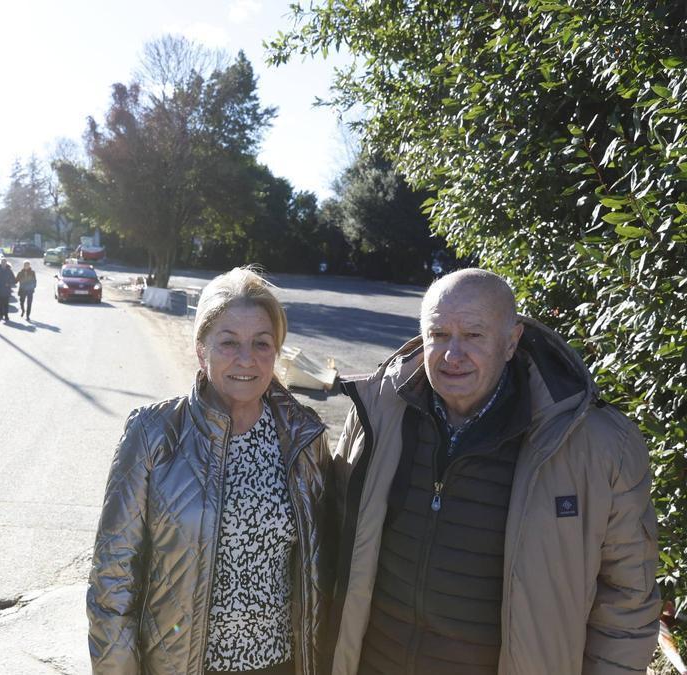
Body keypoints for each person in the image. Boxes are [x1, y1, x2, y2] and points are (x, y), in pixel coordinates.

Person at [326, 268, 659, 674]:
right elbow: (331, 545)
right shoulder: (376, 414)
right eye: (439, 335)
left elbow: (627, 601)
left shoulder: (596, 445)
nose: (452, 354)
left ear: (510, 341)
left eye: (473, 335)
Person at [88, 267, 331, 675]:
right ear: (201, 349)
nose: (246, 359)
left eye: (261, 344)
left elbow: (322, 569)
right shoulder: (153, 435)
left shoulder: (304, 438)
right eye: (228, 343)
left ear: (277, 351)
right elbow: (113, 578)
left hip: (282, 665)